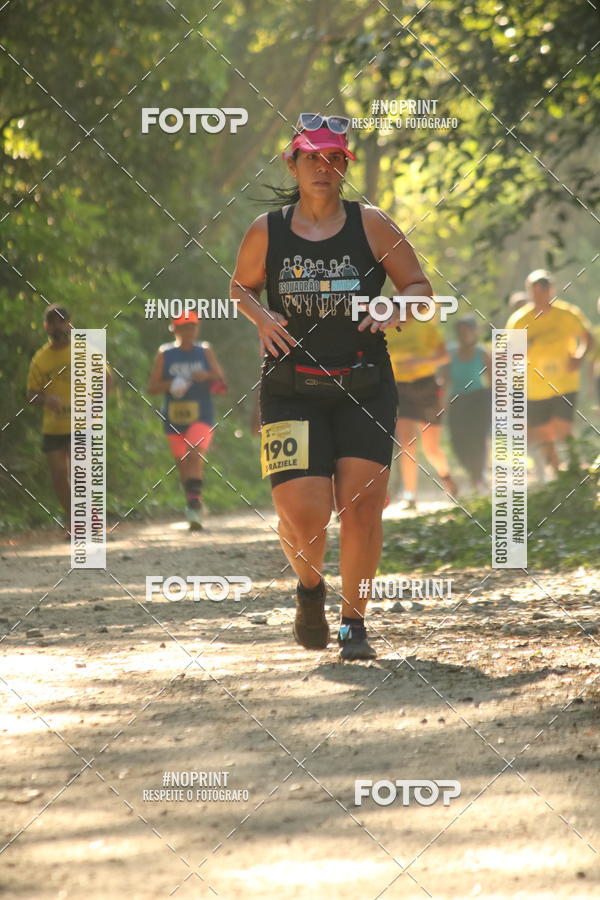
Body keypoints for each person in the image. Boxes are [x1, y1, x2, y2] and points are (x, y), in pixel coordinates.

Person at [230, 113, 432, 661]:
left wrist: (394, 304)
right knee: (304, 515)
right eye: (312, 157)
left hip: (364, 385)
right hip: (289, 386)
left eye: (334, 159)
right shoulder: (265, 231)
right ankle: (310, 589)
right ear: (291, 163)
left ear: (345, 166)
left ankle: (353, 625)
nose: (323, 168)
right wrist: (262, 319)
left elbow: (420, 287)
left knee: (364, 509)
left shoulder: (371, 225)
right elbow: (240, 288)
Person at [26, 304, 112, 537]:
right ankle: (76, 519)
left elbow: (106, 379)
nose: (58, 326)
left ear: (70, 324)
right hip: (53, 426)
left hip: (81, 424)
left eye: (62, 321)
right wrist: (45, 400)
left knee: (80, 472)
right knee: (58, 474)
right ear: (46, 326)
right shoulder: (40, 359)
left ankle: (87, 518)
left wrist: (93, 403)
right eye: (52, 322)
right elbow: (31, 394)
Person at [506, 269, 594, 479]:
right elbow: (508, 354)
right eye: (534, 290)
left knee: (563, 429)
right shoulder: (519, 320)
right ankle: (558, 475)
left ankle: (573, 468)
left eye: (544, 289)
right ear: (529, 291)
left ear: (551, 290)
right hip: (535, 388)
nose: (540, 294)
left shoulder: (567, 314)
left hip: (565, 383)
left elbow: (587, 337)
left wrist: (579, 357)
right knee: (544, 435)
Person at [147, 311, 225, 530]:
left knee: (194, 453)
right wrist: (172, 384)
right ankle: (194, 502)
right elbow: (152, 387)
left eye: (191, 327)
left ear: (196, 329)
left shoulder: (204, 351)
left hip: (202, 414)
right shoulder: (165, 353)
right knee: (182, 463)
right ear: (175, 330)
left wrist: (206, 376)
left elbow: (220, 380)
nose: (188, 332)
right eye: (183, 328)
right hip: (173, 416)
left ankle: (194, 506)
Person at [385, 303, 458, 508]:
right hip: (401, 389)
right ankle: (410, 495)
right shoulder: (387, 330)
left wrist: (419, 361)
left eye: (404, 308)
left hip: (426, 386)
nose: (400, 313)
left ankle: (447, 477)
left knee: (431, 447)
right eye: (395, 309)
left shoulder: (425, 326)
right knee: (407, 444)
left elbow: (444, 356)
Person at [441, 315, 491, 492]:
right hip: (457, 400)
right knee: (457, 441)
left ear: (474, 332)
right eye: (460, 332)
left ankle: (478, 477)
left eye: (467, 331)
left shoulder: (482, 353)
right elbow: (445, 381)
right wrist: (442, 404)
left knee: (478, 439)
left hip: (479, 399)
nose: (463, 335)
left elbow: (494, 379)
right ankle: (473, 472)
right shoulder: (450, 353)